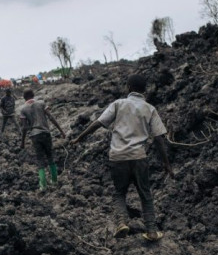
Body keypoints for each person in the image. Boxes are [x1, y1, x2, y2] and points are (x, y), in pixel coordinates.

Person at [71, 74, 173, 242]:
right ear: (144, 90)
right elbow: (159, 139)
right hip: (139, 157)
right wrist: (167, 164)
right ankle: (152, 231)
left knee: (120, 193)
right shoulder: (150, 109)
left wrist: (79, 138)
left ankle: (121, 223)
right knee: (145, 194)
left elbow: (98, 123)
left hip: (118, 157)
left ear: (128, 88)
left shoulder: (118, 104)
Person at [19, 89, 66, 192]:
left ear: (24, 98)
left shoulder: (23, 109)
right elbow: (51, 117)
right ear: (33, 95)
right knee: (50, 157)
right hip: (46, 133)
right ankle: (54, 181)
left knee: (40, 160)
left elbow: (24, 127)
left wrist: (22, 142)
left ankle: (43, 186)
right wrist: (61, 131)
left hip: (35, 136)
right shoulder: (41, 103)